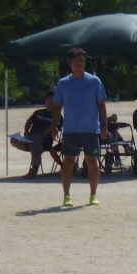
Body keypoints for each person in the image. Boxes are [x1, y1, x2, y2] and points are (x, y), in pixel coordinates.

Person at [51, 47, 108, 207]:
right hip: (71, 130)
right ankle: (66, 195)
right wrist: (54, 126)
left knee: (92, 160)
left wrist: (104, 125)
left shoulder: (94, 81)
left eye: (81, 60)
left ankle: (93, 194)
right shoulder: (63, 83)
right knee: (69, 161)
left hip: (91, 129)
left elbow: (101, 104)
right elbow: (57, 106)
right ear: (70, 63)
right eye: (76, 60)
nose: (79, 63)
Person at [9, 93, 58, 178]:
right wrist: (26, 131)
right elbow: (29, 121)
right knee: (13, 140)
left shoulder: (58, 116)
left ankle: (33, 171)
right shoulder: (38, 112)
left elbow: (54, 127)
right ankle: (30, 146)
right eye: (48, 100)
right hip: (31, 138)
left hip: (44, 141)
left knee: (36, 147)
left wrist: (41, 135)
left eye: (52, 101)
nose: (50, 103)